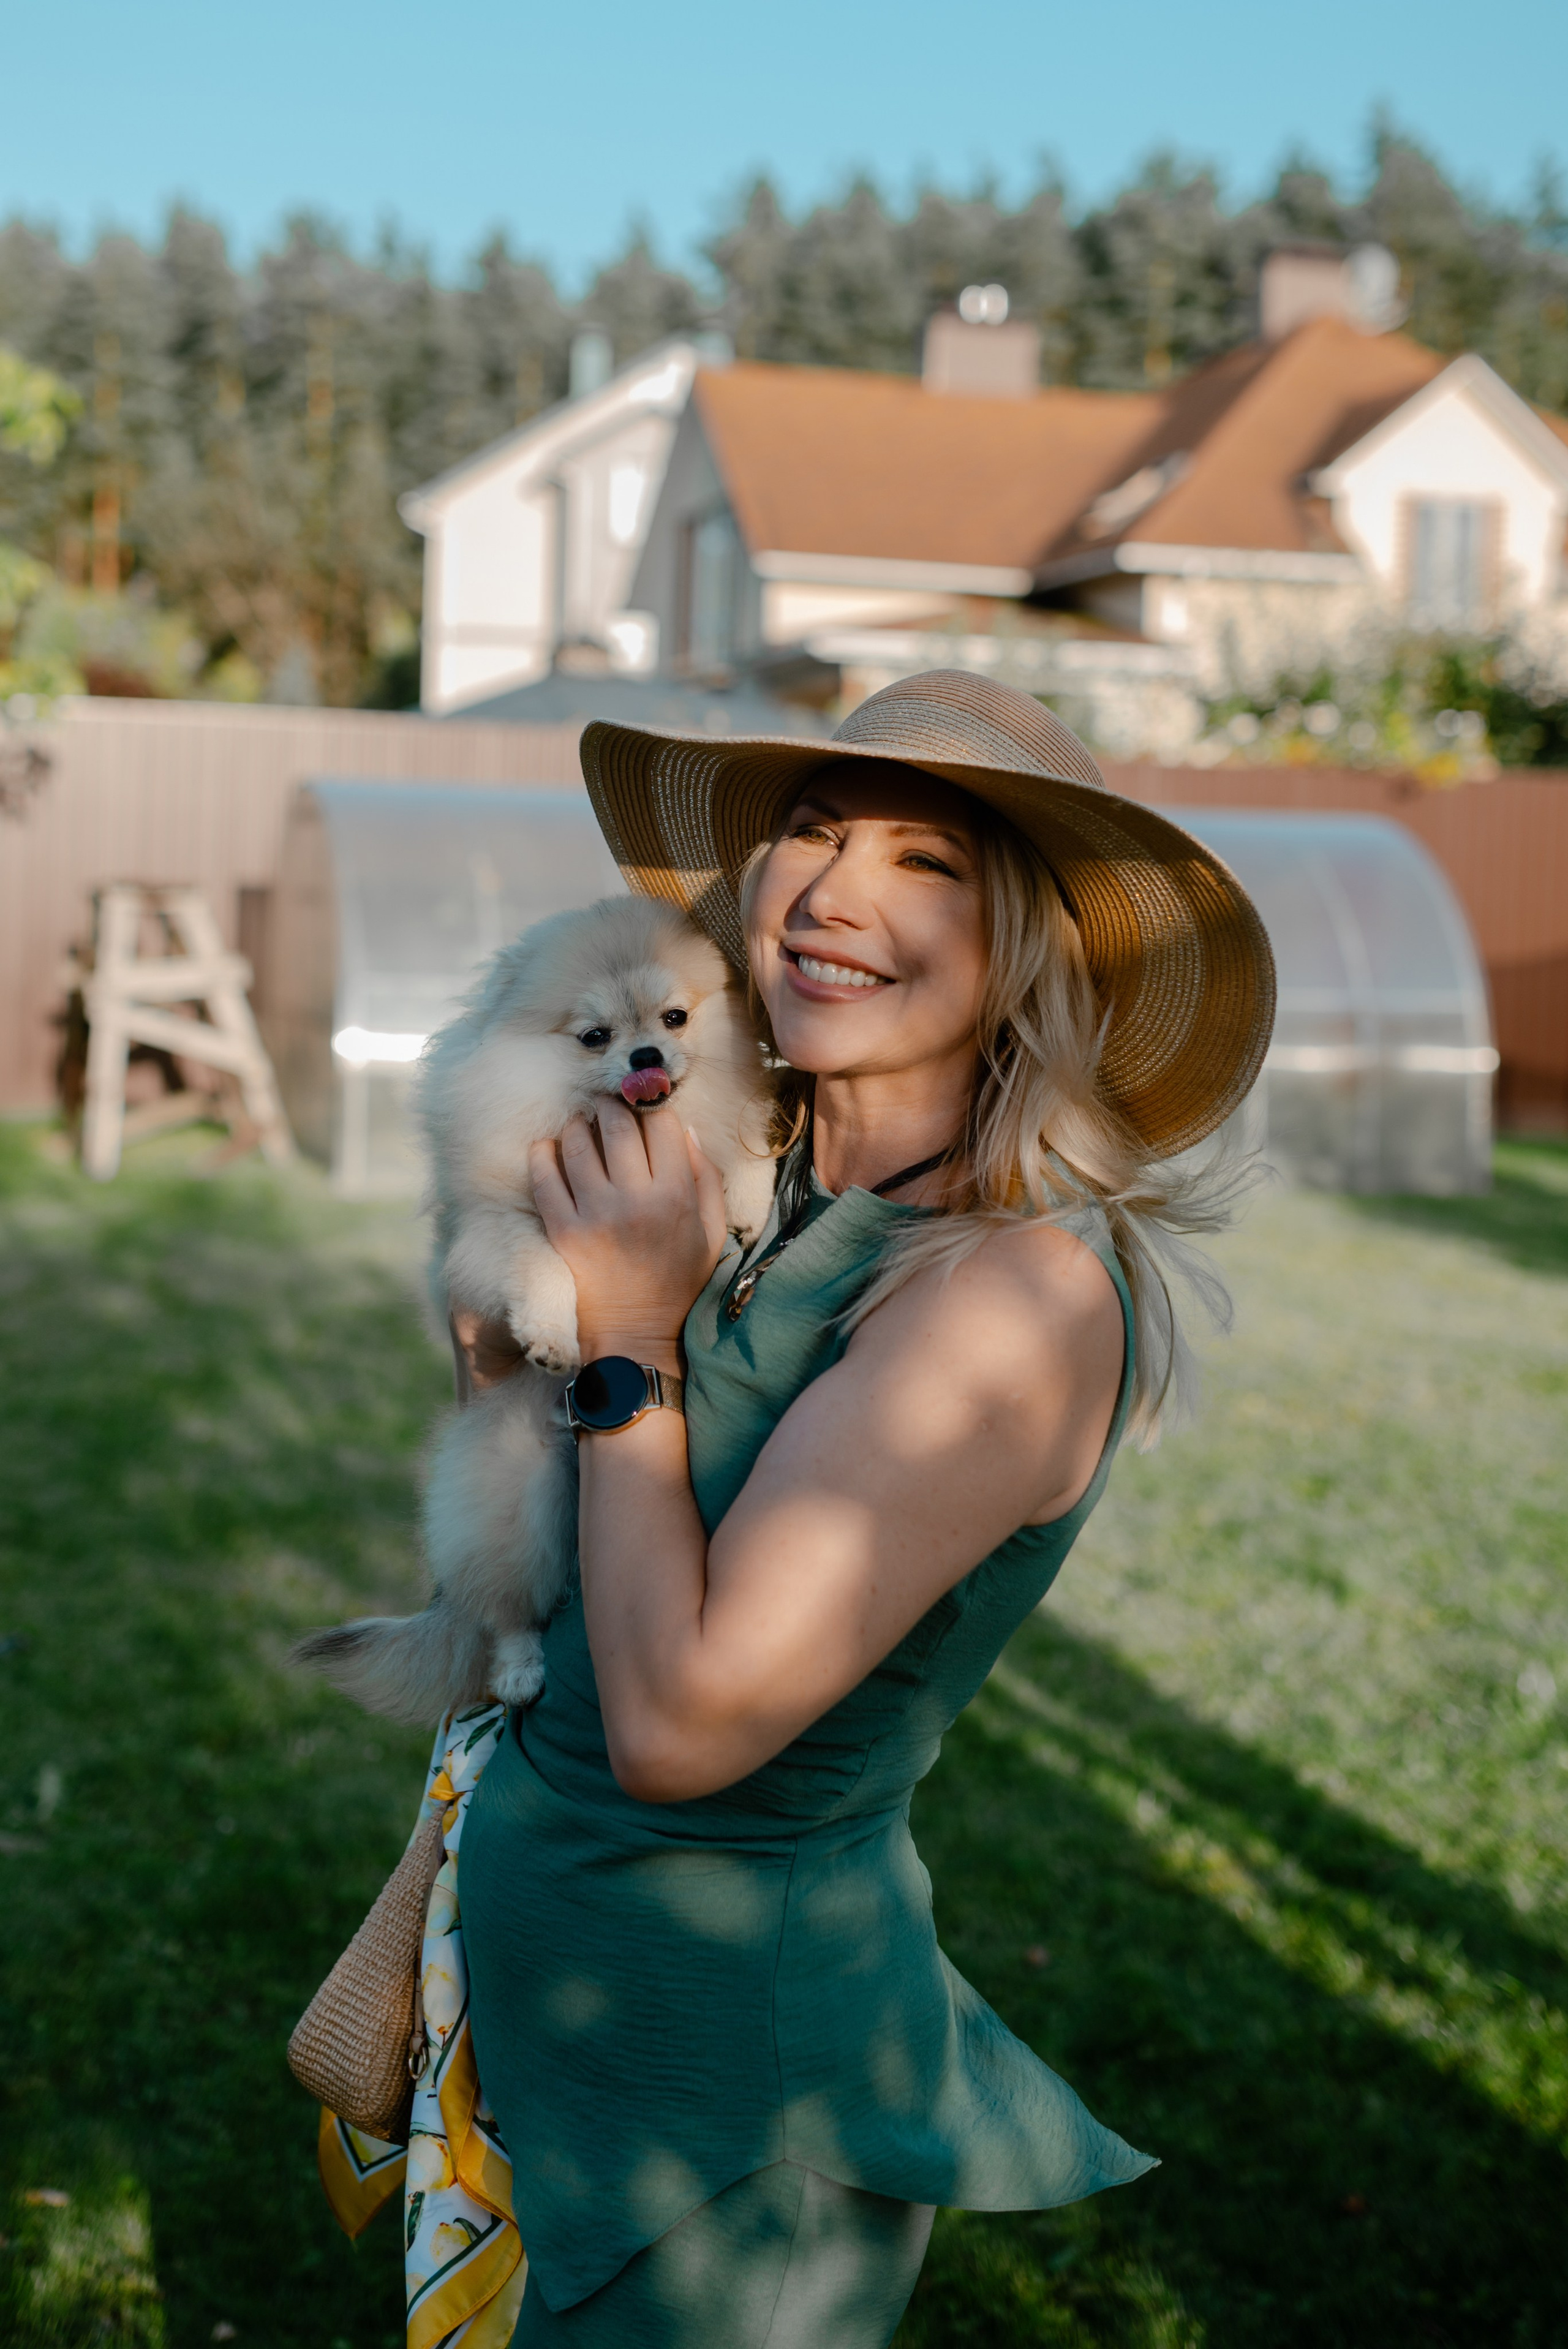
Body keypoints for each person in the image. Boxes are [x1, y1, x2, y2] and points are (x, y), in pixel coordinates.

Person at [454, 670, 1275, 2347]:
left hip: (734, 2140)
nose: (831, 891)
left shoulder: (1016, 1288)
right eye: (813, 833)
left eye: (928, 863)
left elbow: (682, 1722)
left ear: (1032, 949)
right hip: (576, 2049)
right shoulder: (773, 1181)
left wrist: (621, 1331)